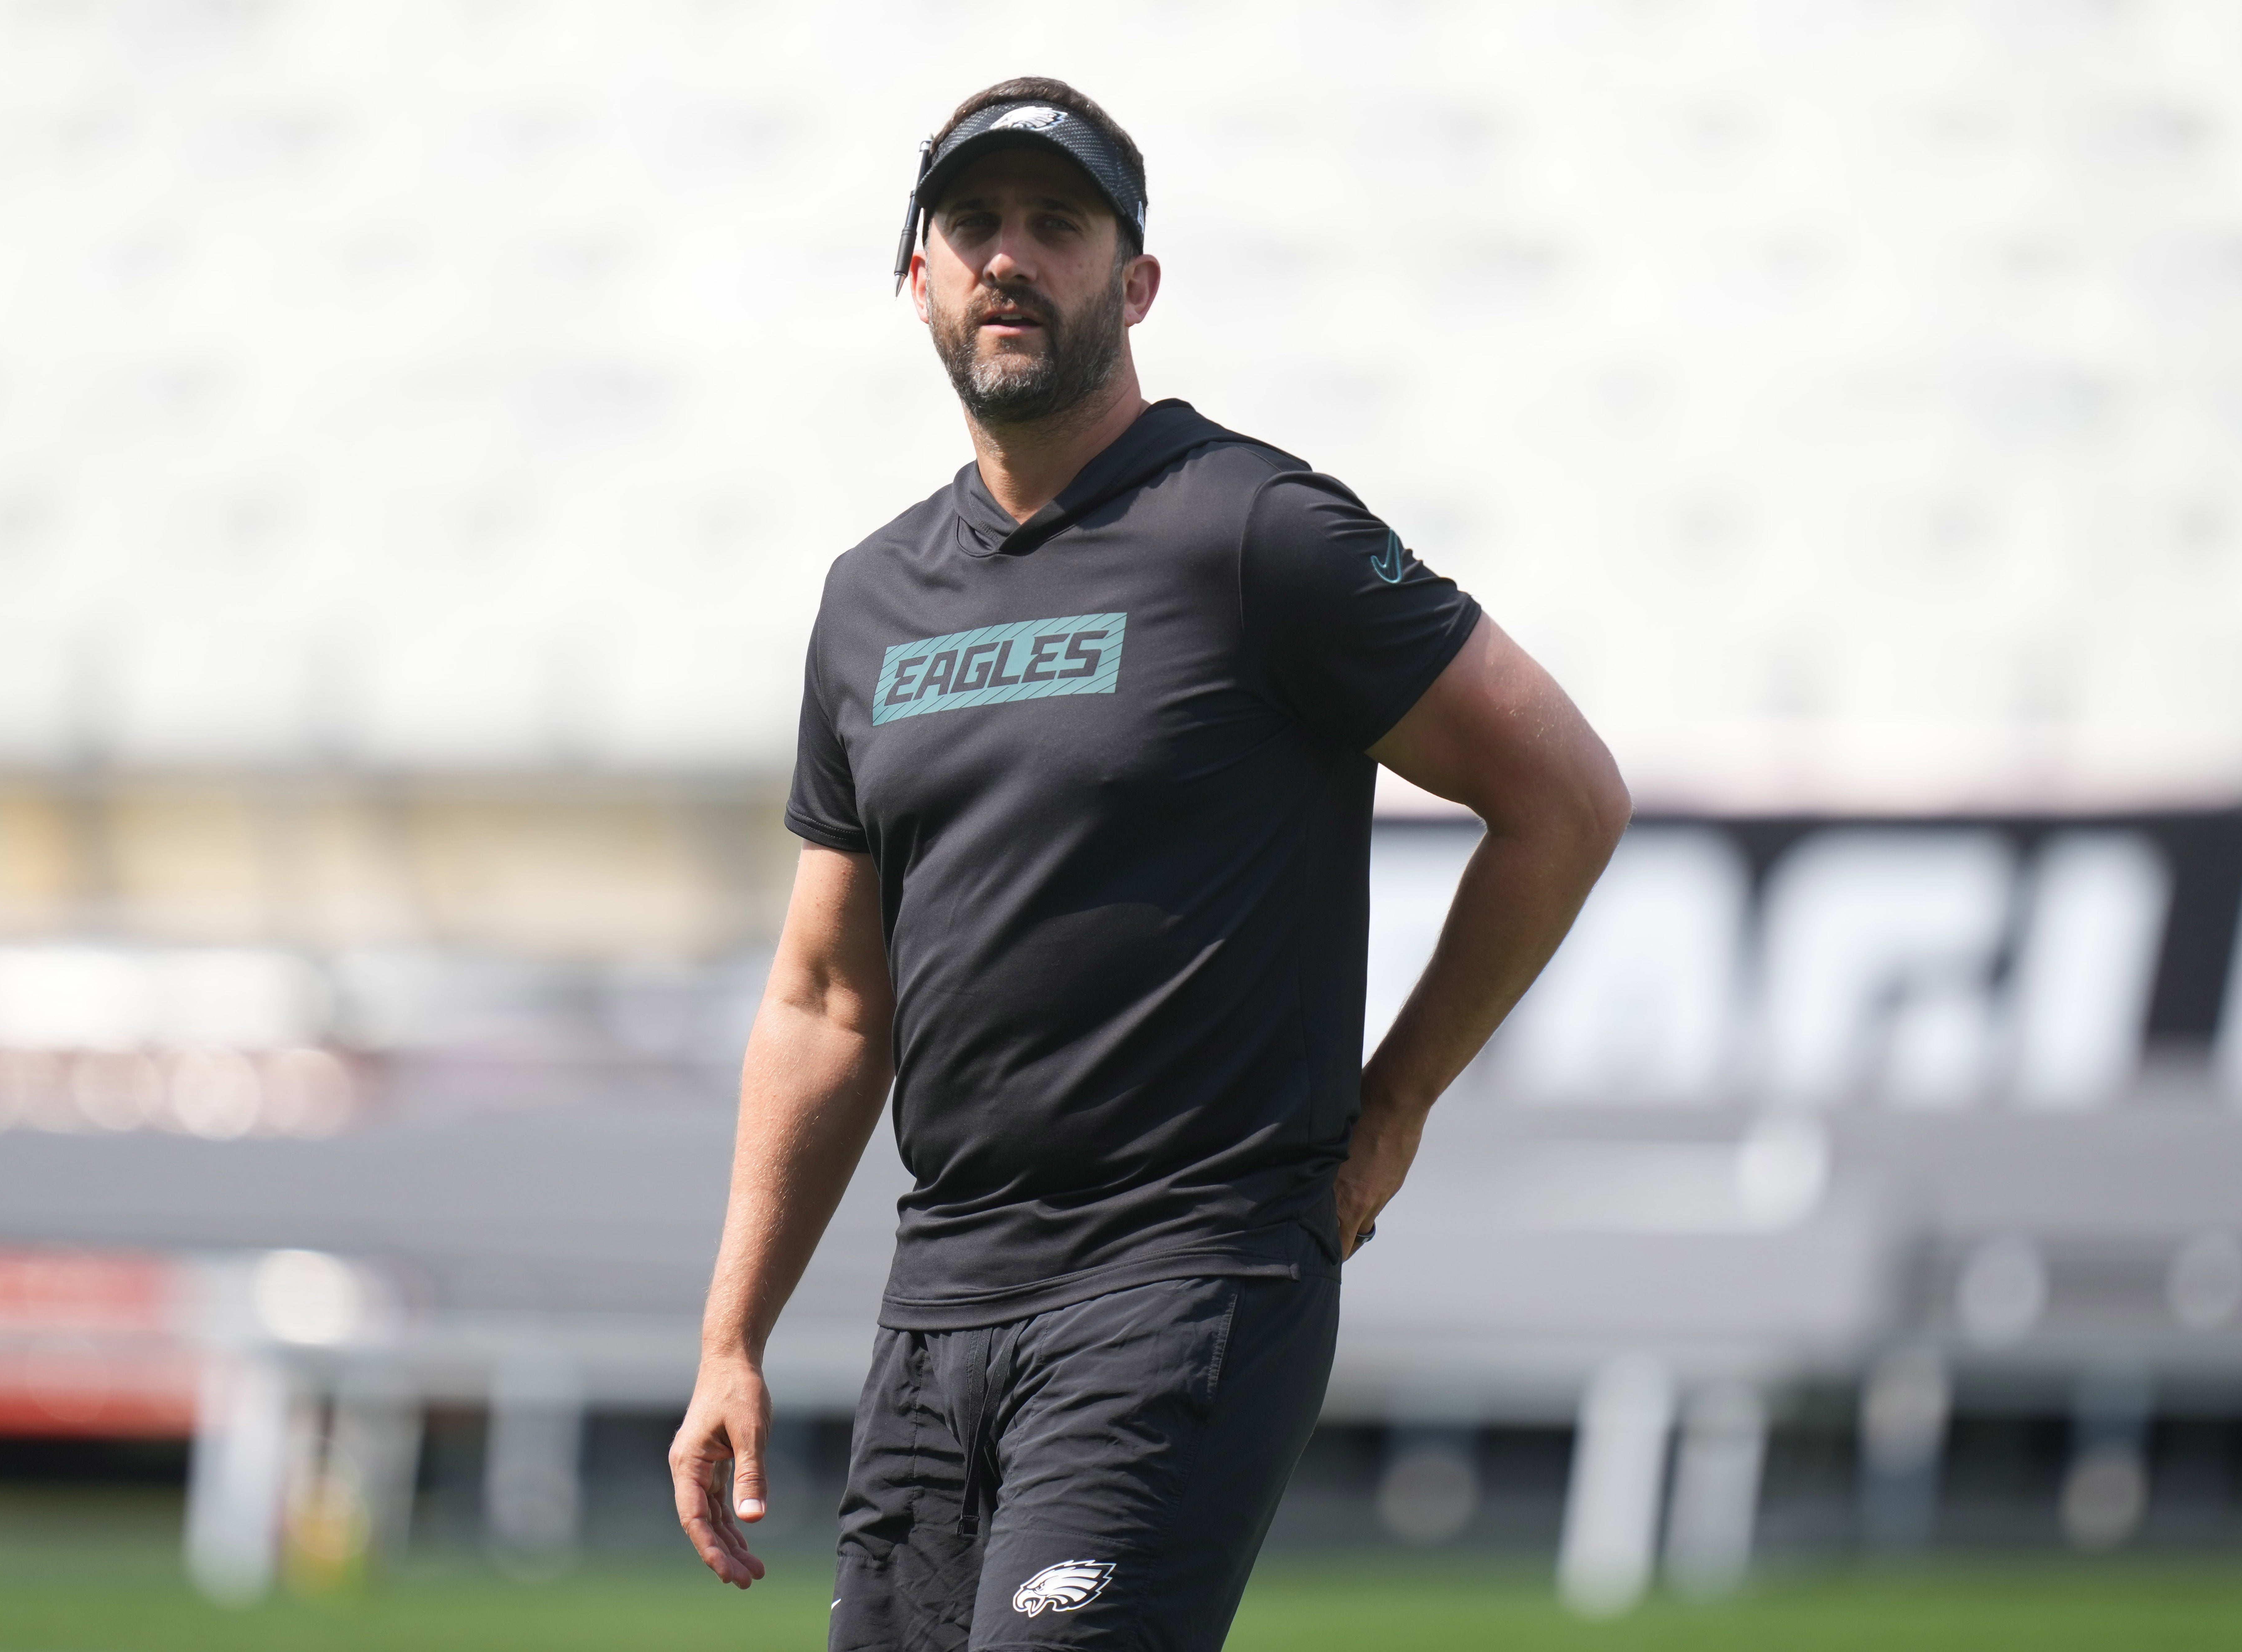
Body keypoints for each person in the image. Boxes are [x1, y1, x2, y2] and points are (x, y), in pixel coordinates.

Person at [670, 76, 1629, 1652]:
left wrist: (1390, 1110)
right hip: (940, 1309)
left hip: (1183, 1278)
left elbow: (1565, 798)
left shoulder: (1257, 533)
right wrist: (732, 1338)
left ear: (1137, 282)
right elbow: (834, 1002)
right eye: (973, 224)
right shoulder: (867, 602)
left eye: (1059, 224)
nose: (1008, 257)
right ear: (916, 277)